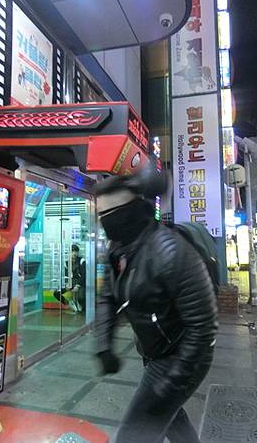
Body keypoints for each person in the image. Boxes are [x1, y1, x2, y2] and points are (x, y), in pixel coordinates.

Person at [93, 167, 218, 443]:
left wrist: (173, 379)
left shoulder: (171, 251)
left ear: (131, 210)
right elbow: (108, 297)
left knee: (133, 435)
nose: (105, 223)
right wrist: (104, 344)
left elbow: (203, 327)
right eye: (100, 216)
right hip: (153, 352)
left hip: (181, 356)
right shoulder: (118, 248)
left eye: (110, 214)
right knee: (171, 417)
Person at [53, 244, 86, 313]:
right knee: (56, 293)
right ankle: (69, 303)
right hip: (71, 283)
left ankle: (80, 305)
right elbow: (66, 276)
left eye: (75, 251)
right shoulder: (67, 263)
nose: (74, 253)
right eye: (72, 251)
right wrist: (67, 283)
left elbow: (84, 275)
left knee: (81, 298)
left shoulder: (81, 260)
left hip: (80, 283)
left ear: (77, 252)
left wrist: (78, 285)